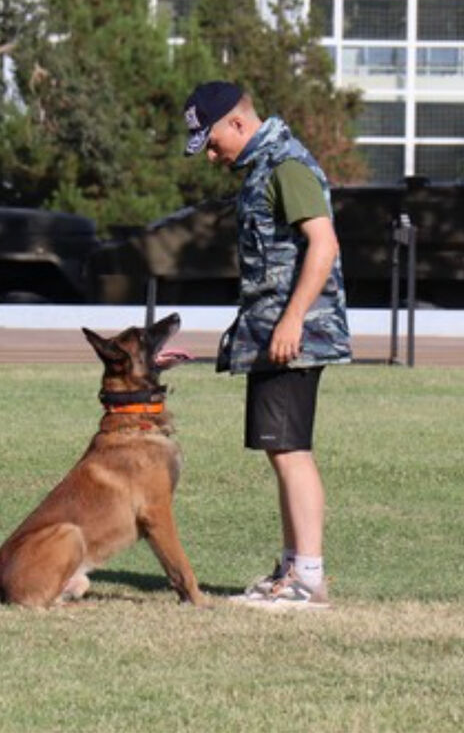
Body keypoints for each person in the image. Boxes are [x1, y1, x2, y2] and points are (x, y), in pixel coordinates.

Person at [182, 80, 351, 610]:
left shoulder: (286, 166)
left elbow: (323, 243)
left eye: (212, 143)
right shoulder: (261, 168)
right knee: (281, 448)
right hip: (273, 330)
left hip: (294, 334)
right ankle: (292, 568)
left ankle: (308, 578)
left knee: (291, 450)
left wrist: (292, 320)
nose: (212, 156)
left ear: (237, 123)